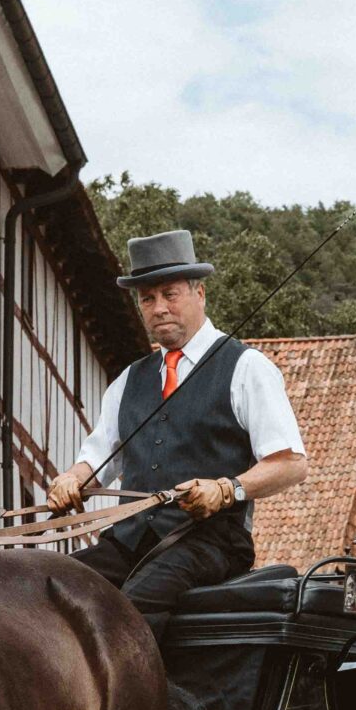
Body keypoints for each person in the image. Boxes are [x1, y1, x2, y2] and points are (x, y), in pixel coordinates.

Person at [44, 230, 310, 634]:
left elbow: (291, 464)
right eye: (148, 299)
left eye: (170, 294)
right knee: (50, 586)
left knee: (130, 607)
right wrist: (72, 478)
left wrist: (226, 489)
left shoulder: (245, 367)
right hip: (132, 540)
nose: (159, 308)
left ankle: (140, 699)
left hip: (209, 543)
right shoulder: (129, 381)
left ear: (199, 293)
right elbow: (99, 460)